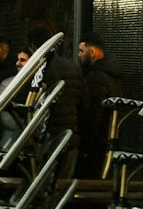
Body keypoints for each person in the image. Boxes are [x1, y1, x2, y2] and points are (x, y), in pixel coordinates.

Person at [25, 26, 90, 177]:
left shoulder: (39, 70)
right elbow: (84, 103)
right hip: (70, 137)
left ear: (33, 47)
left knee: (41, 183)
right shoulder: (72, 67)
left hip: (46, 138)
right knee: (61, 186)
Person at [77, 31, 123, 174]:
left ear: (92, 52)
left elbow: (93, 112)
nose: (79, 55)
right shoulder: (112, 75)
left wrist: (86, 142)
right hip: (110, 138)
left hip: (96, 143)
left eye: (81, 51)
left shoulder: (96, 77)